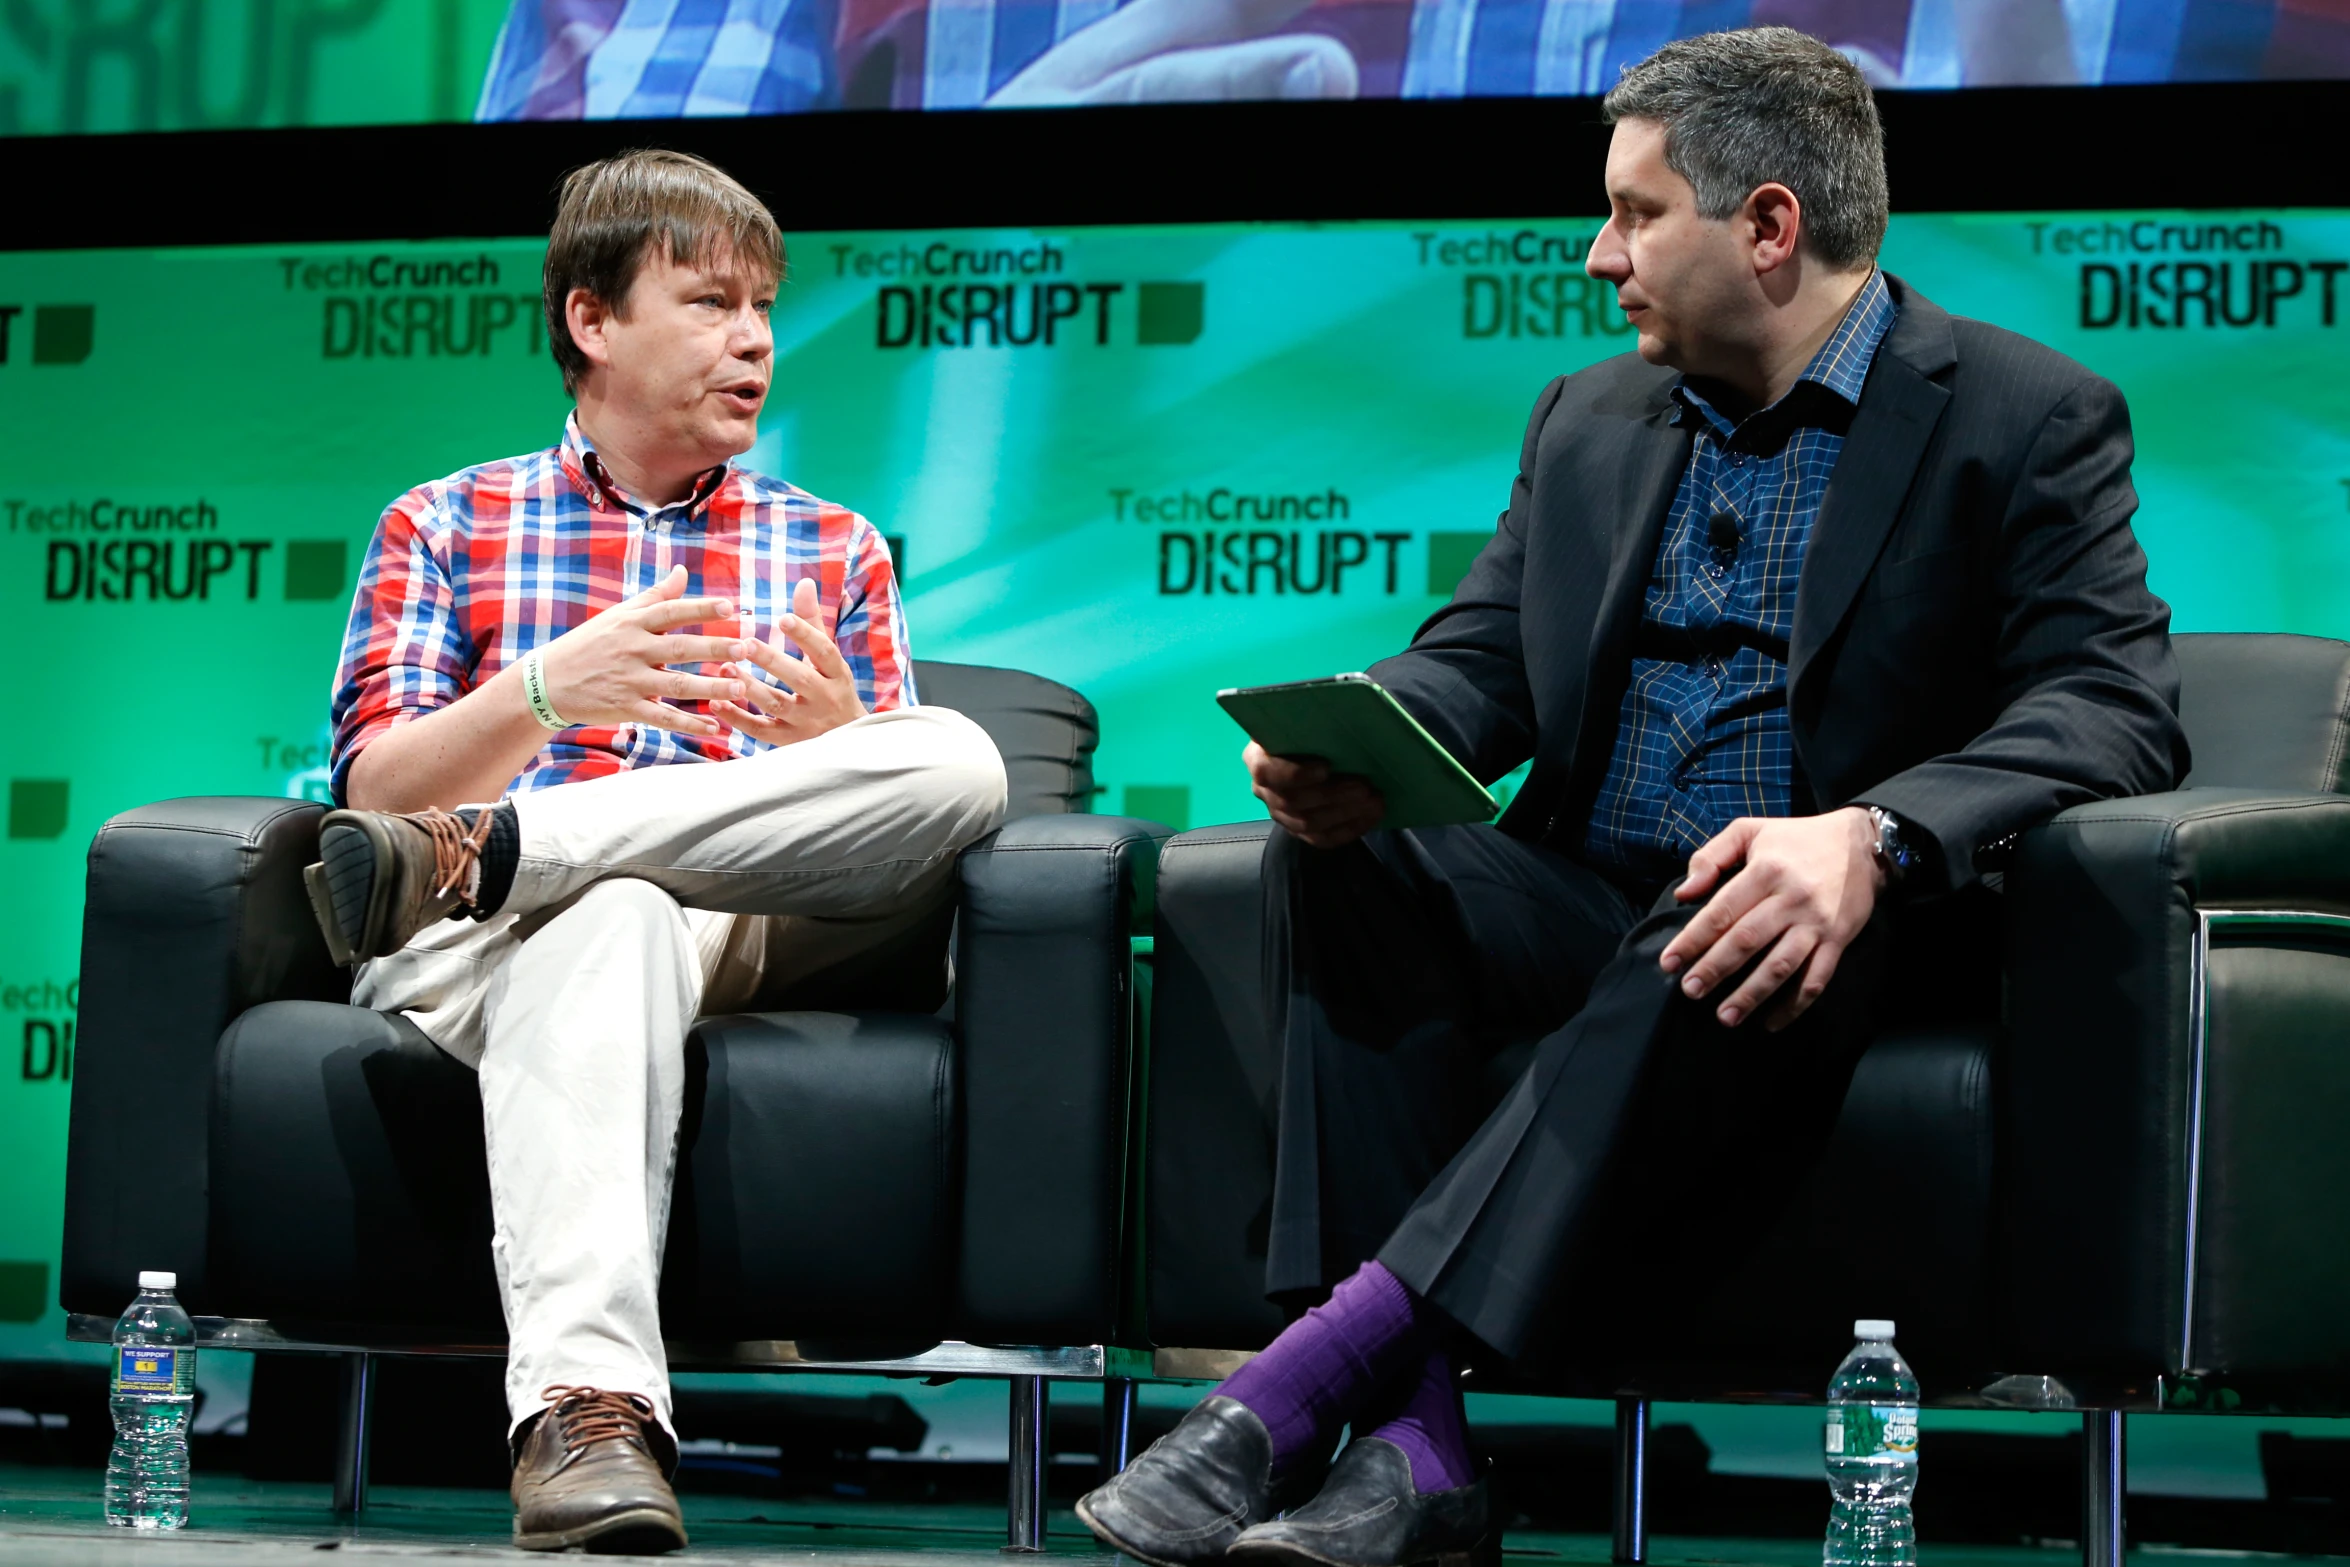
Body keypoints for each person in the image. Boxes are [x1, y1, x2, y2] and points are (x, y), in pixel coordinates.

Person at [1076, 25, 2186, 1567]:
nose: (1601, 257)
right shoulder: (1587, 417)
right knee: (1353, 864)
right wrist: (1364, 736)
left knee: (1719, 893)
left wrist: (1870, 832)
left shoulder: (2020, 413)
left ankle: (1298, 1389)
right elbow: (1479, 662)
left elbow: (2111, 700)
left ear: (1770, 226)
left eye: (1634, 213)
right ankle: (1418, 1455)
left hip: (1829, 919)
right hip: (1587, 888)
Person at [311, 149, 1007, 1554]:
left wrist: (832, 742)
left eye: (761, 306)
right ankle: (588, 1416)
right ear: (590, 319)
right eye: (708, 302)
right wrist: (543, 696)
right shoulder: (446, 521)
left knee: (959, 756)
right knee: (607, 907)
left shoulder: (834, 545)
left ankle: (502, 847)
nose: (752, 339)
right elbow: (372, 794)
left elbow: (901, 809)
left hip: (755, 924)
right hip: (501, 951)